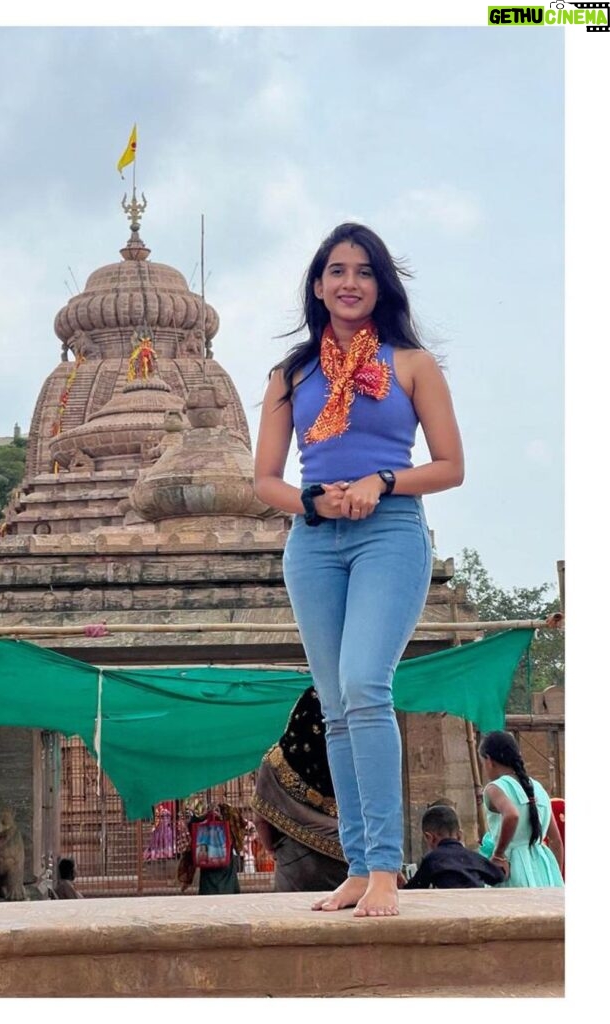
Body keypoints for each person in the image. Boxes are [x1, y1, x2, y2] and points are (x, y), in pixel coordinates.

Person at [254, 222, 464, 917]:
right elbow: (265, 481)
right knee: (336, 707)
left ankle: (383, 867)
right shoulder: (290, 376)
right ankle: (354, 863)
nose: (349, 282)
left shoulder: (411, 364)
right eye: (336, 270)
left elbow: (448, 466)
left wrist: (383, 479)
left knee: (364, 686)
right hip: (313, 541)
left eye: (364, 271)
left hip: (388, 534)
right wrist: (311, 500)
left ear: (381, 285)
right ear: (317, 286)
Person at [251, 686, 349, 892]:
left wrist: (272, 849)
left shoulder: (275, 761)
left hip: (296, 866)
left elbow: (260, 820)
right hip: (353, 859)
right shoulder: (355, 759)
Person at [478, 730, 564, 887]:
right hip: (544, 869)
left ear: (489, 760)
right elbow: (556, 841)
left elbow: (512, 815)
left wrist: (498, 854)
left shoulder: (495, 788)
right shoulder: (538, 788)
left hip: (513, 868)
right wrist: (554, 874)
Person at [403, 804, 506, 890]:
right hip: (475, 906)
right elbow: (498, 876)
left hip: (450, 908)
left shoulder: (432, 859)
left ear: (429, 837)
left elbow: (416, 886)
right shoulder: (472, 857)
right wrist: (503, 866)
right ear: (460, 835)